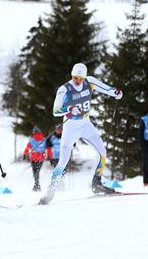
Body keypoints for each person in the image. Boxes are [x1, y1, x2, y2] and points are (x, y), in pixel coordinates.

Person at [39, 62, 123, 205]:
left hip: (86, 125)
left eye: (80, 78)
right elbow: (55, 110)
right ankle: (50, 191)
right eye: (75, 77)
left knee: (102, 152)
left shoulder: (89, 82)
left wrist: (115, 92)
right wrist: (69, 109)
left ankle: (97, 183)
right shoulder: (64, 89)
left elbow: (106, 88)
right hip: (70, 128)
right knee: (63, 161)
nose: (77, 81)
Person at [23, 127, 51, 191]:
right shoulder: (44, 140)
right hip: (41, 157)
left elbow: (27, 148)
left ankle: (36, 184)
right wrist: (50, 157)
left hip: (33, 157)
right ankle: (37, 184)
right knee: (38, 170)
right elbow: (48, 149)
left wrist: (25, 154)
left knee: (34, 171)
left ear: (34, 133)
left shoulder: (32, 140)